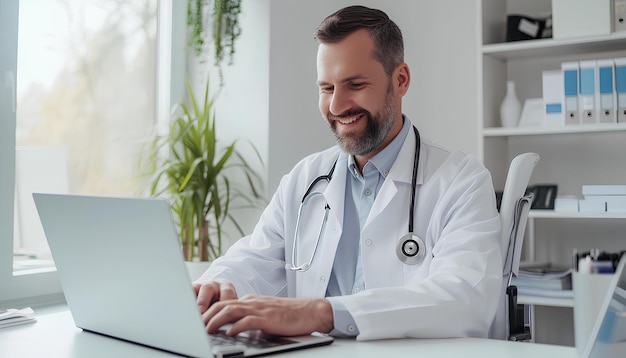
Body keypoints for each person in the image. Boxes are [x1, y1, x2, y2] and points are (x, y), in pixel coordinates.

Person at [194, 5, 502, 341]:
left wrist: (322, 313)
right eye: (326, 89)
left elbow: (465, 298)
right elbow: (254, 259)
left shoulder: (461, 180)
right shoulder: (304, 179)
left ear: (400, 80)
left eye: (354, 84)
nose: (337, 107)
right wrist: (216, 285)